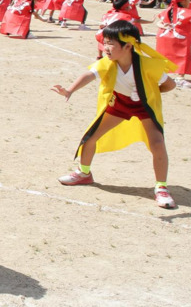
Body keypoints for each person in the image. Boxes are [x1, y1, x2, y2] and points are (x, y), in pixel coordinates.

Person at [52, 21, 179, 209]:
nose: (105, 47)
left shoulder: (148, 65)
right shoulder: (107, 64)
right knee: (90, 137)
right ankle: (84, 173)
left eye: (110, 43)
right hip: (119, 103)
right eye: (105, 42)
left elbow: (170, 85)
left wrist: (149, 93)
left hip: (144, 107)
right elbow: (89, 74)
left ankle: (161, 187)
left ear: (128, 46)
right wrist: (70, 90)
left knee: (157, 144)